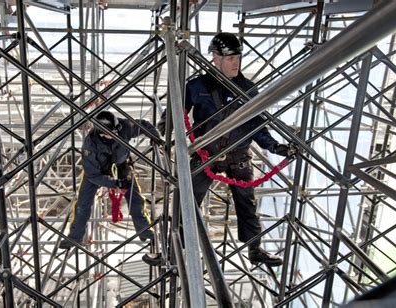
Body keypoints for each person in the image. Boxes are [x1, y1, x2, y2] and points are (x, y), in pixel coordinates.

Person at [158, 33, 296, 266]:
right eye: (230, 57)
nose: (236, 62)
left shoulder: (248, 89)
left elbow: (256, 125)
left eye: (238, 57)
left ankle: (255, 249)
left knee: (246, 202)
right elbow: (177, 108)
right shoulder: (197, 86)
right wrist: (166, 126)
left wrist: (274, 146)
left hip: (238, 154)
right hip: (205, 154)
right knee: (186, 200)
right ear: (215, 58)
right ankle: (174, 249)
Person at [59, 110, 160, 249]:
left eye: (116, 132)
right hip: (96, 172)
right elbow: (93, 175)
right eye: (110, 134)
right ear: (101, 134)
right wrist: (115, 184)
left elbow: (144, 125)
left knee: (136, 200)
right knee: (83, 204)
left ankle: (145, 231)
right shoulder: (90, 145)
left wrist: (154, 136)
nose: (115, 135)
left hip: (121, 166)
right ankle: (75, 237)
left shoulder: (123, 126)